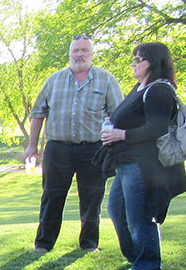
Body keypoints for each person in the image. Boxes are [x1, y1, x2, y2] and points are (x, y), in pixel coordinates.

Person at [24, 35, 124, 252]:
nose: (79, 55)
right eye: (75, 51)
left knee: (92, 197)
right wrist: (32, 146)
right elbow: (38, 113)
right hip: (58, 148)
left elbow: (120, 115)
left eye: (84, 50)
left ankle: (89, 244)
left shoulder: (106, 80)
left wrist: (118, 143)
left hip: (94, 149)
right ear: (70, 54)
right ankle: (43, 244)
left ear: (92, 53)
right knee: (52, 196)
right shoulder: (54, 80)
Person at [99, 42, 186, 270]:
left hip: (143, 165)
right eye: (135, 59)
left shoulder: (159, 90)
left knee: (139, 216)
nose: (134, 63)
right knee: (117, 209)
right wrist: (111, 130)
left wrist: (121, 134)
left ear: (154, 62)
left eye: (139, 59)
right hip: (126, 161)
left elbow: (156, 128)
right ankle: (135, 258)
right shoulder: (139, 88)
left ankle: (147, 264)